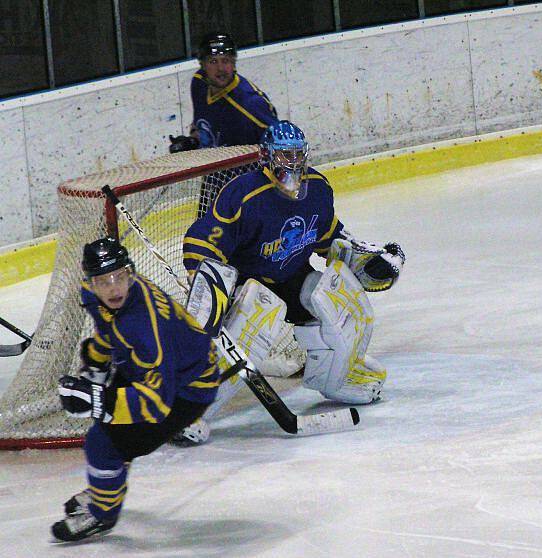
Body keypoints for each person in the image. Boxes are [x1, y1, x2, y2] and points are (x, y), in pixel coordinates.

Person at [176, 120, 404, 445]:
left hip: (290, 274)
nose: (293, 162)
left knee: (335, 297)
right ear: (267, 157)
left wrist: (373, 264)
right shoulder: (244, 194)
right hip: (247, 279)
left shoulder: (319, 189)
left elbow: (333, 241)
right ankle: (190, 409)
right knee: (257, 316)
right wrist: (209, 282)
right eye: (285, 155)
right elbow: (204, 238)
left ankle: (337, 379)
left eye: (297, 154)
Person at [52, 238, 219, 542]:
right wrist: (96, 362)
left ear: (130, 273)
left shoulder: (144, 327)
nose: (113, 288)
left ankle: (103, 513)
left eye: (119, 277)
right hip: (152, 369)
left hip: (187, 388)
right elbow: (108, 328)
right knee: (110, 430)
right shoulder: (95, 295)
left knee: (102, 444)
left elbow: (157, 404)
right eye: (104, 281)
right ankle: (109, 485)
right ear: (90, 282)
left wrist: (96, 399)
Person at [169, 31, 279, 154]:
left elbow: (283, 148)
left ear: (233, 64)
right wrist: (192, 142)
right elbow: (202, 127)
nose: (220, 68)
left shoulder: (251, 103)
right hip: (213, 169)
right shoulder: (199, 83)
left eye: (225, 61)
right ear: (203, 66)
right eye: (213, 61)